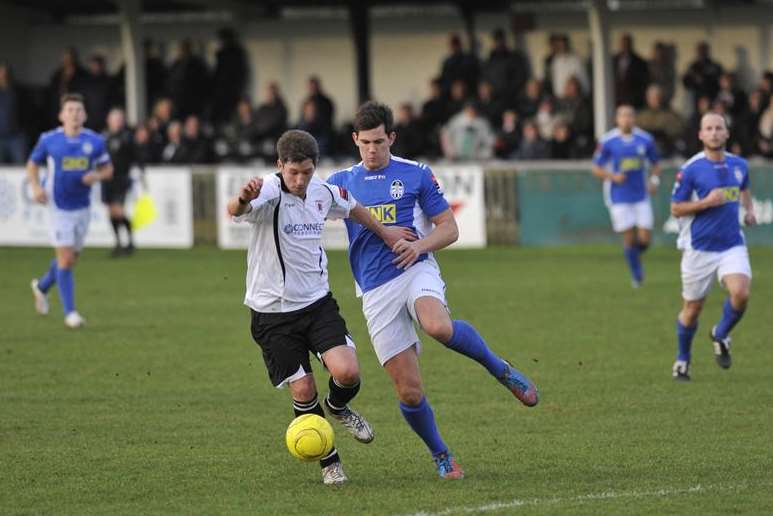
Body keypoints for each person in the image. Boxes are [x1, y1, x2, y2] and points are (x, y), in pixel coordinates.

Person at [327, 101, 538, 480]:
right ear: (355, 140)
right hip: (375, 290)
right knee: (408, 392)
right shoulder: (340, 183)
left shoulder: (416, 174)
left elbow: (449, 228)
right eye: (365, 143)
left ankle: (499, 368)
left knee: (437, 325)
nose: (372, 150)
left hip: (415, 269)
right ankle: (441, 454)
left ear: (391, 137)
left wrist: (419, 247)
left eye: (379, 141)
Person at [227, 129, 413, 485]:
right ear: (280, 165)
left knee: (347, 373)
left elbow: (354, 208)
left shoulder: (323, 191)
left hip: (317, 304)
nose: (299, 180)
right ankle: (330, 462)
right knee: (302, 391)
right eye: (293, 172)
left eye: (307, 172)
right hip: (272, 314)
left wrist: (388, 234)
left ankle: (339, 406)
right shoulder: (268, 190)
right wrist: (241, 198)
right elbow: (237, 210)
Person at [670, 113, 756, 381]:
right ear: (701, 135)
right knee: (692, 310)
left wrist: (749, 210)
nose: (715, 132)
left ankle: (720, 334)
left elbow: (744, 189)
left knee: (741, 293)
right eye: (709, 128)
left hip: (732, 244)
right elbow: (675, 208)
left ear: (727, 134)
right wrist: (705, 202)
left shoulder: (739, 165)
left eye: (719, 128)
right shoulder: (691, 169)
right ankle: (683, 360)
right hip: (699, 248)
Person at [28, 93, 113, 328]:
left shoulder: (95, 141)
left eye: (78, 110)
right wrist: (35, 186)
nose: (74, 114)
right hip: (57, 206)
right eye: (70, 110)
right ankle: (71, 313)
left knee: (70, 259)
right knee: (65, 259)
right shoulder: (49, 140)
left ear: (84, 115)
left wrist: (96, 175)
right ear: (61, 115)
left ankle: (42, 287)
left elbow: (108, 170)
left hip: (82, 207)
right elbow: (32, 164)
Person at [591, 105, 661, 288]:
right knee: (629, 237)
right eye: (623, 116)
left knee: (645, 239)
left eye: (630, 115)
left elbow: (656, 164)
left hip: (640, 195)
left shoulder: (645, 139)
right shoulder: (608, 141)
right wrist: (612, 176)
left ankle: (633, 257)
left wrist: (654, 181)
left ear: (634, 118)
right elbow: (596, 168)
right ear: (617, 119)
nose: (626, 119)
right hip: (619, 195)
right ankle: (637, 274)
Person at [102, 107, 138, 256]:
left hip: (121, 179)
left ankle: (130, 242)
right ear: (109, 120)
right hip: (106, 180)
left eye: (119, 119)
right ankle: (118, 242)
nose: (116, 122)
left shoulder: (127, 137)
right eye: (114, 119)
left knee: (119, 210)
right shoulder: (103, 137)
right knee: (111, 213)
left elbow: (135, 156)